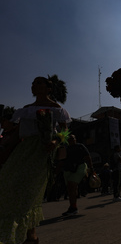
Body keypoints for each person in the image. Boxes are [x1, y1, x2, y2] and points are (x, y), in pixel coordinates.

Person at [0, 76, 71, 244]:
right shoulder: (25, 109)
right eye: (32, 83)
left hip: (41, 151)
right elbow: (17, 134)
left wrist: (55, 141)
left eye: (38, 82)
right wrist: (6, 146)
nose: (34, 85)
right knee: (6, 183)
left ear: (49, 88)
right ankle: (29, 235)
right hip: (22, 151)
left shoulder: (57, 108)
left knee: (28, 191)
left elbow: (65, 132)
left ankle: (28, 235)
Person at [61, 134, 94, 216]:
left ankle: (73, 208)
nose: (71, 140)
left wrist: (91, 168)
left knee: (72, 185)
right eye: (69, 139)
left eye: (73, 138)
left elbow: (88, 157)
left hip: (79, 167)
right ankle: (73, 206)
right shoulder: (65, 148)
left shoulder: (80, 146)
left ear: (75, 139)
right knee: (70, 188)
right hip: (68, 169)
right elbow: (61, 160)